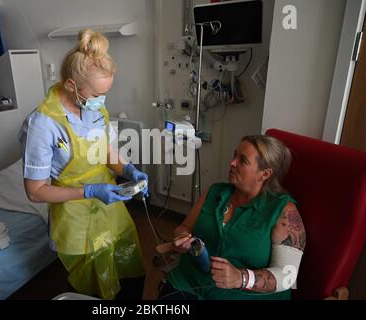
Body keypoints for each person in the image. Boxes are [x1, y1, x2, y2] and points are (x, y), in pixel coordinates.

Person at [19, 29, 147, 300]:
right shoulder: (43, 124)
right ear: (70, 85)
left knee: (131, 273)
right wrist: (88, 191)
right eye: (97, 94)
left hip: (110, 210)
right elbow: (35, 191)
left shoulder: (95, 108)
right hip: (75, 220)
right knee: (93, 288)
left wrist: (128, 170)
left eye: (106, 94)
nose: (102, 101)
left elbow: (108, 152)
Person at [159, 135, 306, 300]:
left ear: (265, 174)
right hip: (190, 283)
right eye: (234, 155)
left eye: (242, 160)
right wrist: (182, 237)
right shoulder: (214, 192)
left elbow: (287, 276)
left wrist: (240, 278)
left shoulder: (283, 212)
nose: (232, 163)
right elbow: (184, 227)